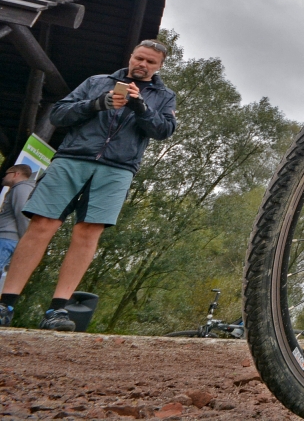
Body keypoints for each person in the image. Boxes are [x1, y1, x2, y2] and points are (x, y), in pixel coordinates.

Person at [0, 40, 176, 331]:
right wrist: (97, 104)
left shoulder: (165, 96)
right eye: (139, 58)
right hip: (72, 159)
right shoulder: (97, 82)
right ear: (131, 56)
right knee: (42, 225)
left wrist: (141, 107)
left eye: (150, 62)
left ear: (159, 66)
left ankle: (58, 310)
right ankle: (6, 304)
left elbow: (164, 131)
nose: (142, 65)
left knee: (88, 233)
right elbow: (58, 113)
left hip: (118, 169)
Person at [0, 165, 36, 275]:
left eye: (6, 174)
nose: (3, 177)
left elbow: (23, 214)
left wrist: (24, 242)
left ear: (16, 174)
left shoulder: (22, 188)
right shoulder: (19, 188)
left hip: (7, 240)